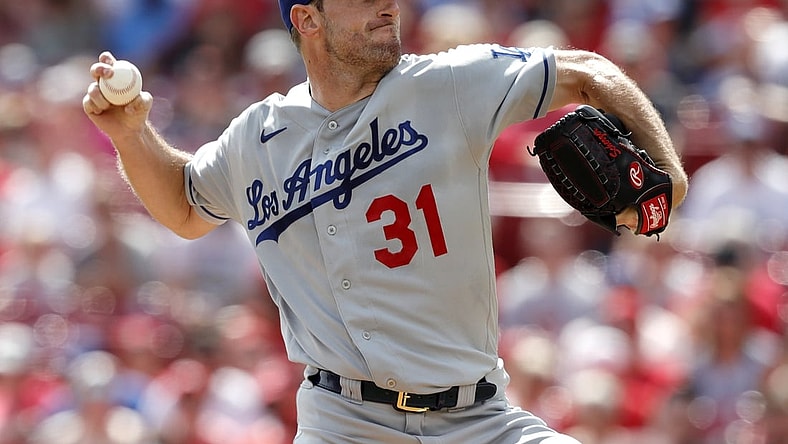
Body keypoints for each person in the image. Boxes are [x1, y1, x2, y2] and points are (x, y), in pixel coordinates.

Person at [82, 0, 688, 442]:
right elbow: (187, 207)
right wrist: (131, 134)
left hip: (477, 420)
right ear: (307, 18)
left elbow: (587, 70)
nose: (388, 5)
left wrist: (668, 169)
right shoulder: (257, 138)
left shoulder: (448, 83)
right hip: (343, 424)